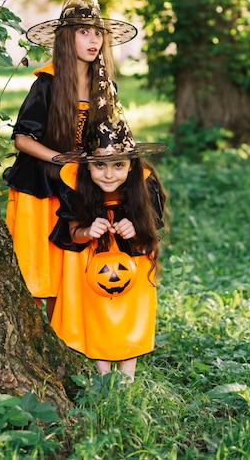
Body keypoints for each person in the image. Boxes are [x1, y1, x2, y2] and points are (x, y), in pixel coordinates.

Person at [4, 0, 138, 319]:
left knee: (73, 259)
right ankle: (35, 332)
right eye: (83, 32)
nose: (93, 40)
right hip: (41, 184)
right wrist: (61, 158)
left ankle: (69, 330)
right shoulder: (46, 84)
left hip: (78, 186)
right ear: (67, 38)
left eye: (97, 33)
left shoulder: (103, 88)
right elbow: (22, 138)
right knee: (37, 265)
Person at [49, 54, 168, 380]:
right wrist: (87, 231)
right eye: (100, 165)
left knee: (130, 306)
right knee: (96, 309)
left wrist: (137, 230)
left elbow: (152, 236)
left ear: (131, 165)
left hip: (134, 258)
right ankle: (102, 373)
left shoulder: (144, 184)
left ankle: (128, 374)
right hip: (90, 261)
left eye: (118, 165)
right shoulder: (75, 184)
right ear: (88, 165)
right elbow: (70, 233)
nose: (108, 174)